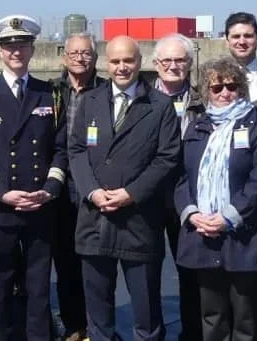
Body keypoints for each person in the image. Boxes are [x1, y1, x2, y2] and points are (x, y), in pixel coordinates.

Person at [0, 14, 68, 341]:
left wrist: (49, 189)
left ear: (32, 48)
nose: (16, 52)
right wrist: (1, 193)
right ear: (0, 51)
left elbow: (60, 149)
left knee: (38, 289)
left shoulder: (49, 93)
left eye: (22, 45)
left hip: (39, 206)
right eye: (9, 46)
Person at [67, 36, 182, 340]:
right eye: (115, 61)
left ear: (140, 62)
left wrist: (131, 193)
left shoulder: (160, 106)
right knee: (98, 312)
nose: (122, 67)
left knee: (146, 312)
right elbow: (76, 150)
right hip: (95, 219)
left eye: (128, 60)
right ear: (106, 63)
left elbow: (167, 157)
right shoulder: (90, 101)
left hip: (139, 222)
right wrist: (92, 191)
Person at [174, 57, 257, 341]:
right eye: (217, 87)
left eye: (232, 87)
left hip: (242, 234)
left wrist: (228, 217)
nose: (225, 93)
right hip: (203, 234)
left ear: (241, 89)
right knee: (212, 315)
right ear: (207, 91)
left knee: (246, 316)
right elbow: (182, 176)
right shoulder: (197, 127)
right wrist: (192, 214)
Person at [146, 32, 205, 341]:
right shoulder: (140, 100)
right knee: (146, 270)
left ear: (190, 63)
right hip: (148, 196)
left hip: (189, 197)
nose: (173, 66)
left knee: (190, 270)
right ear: (156, 64)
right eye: (166, 60)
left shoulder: (203, 101)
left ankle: (191, 333)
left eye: (180, 60)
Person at [48, 31, 105, 341]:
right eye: (74, 53)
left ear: (95, 58)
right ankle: (74, 326)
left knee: (96, 263)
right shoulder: (51, 91)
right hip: (59, 185)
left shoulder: (107, 91)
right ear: (64, 57)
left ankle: (98, 327)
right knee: (64, 260)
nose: (80, 58)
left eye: (86, 53)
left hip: (93, 185)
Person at [223, 12, 257, 101]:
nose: (242, 42)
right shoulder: (215, 77)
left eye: (248, 36)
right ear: (227, 42)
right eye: (236, 36)